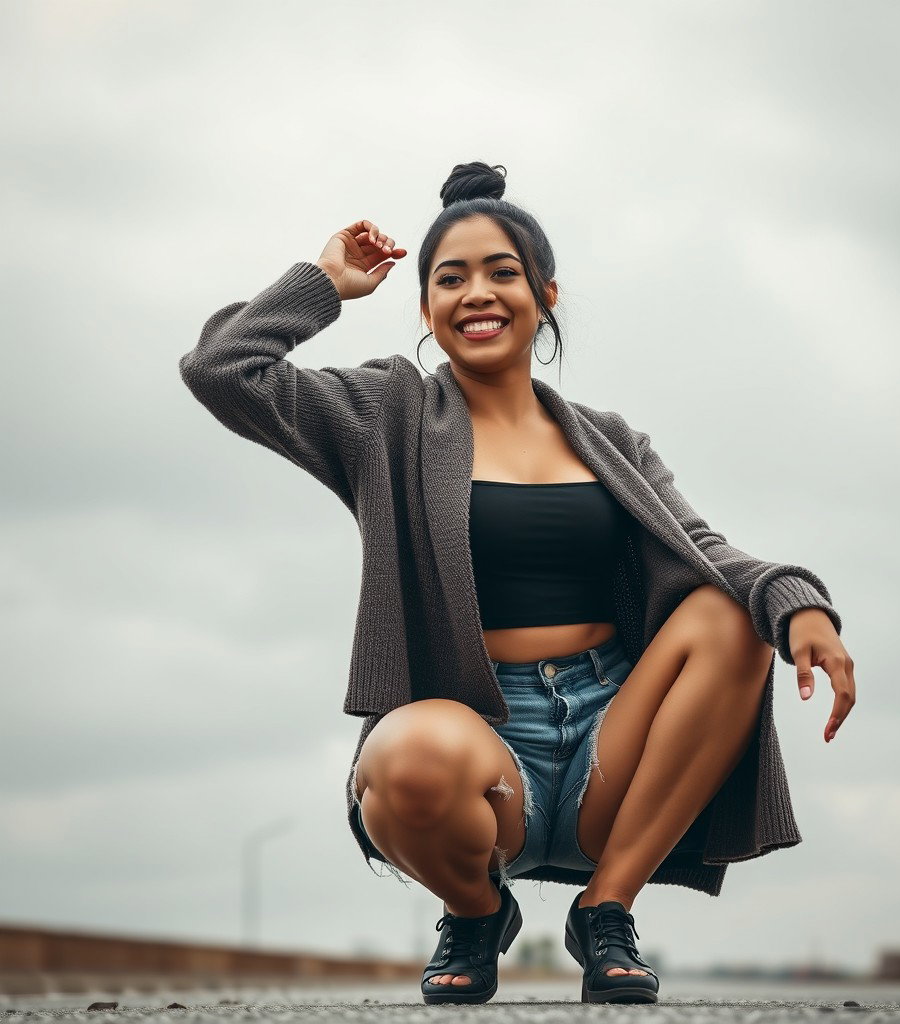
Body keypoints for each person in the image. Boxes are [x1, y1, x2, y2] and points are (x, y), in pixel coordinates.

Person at [179, 160, 856, 1006]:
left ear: (546, 294)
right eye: (449, 279)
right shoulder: (385, 416)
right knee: (404, 755)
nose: (477, 294)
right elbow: (221, 368)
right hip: (476, 745)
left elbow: (706, 551)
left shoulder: (610, 441)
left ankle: (606, 911)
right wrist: (323, 282)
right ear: (425, 307)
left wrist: (802, 606)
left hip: (616, 745)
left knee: (728, 615)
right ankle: (475, 912)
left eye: (502, 273)